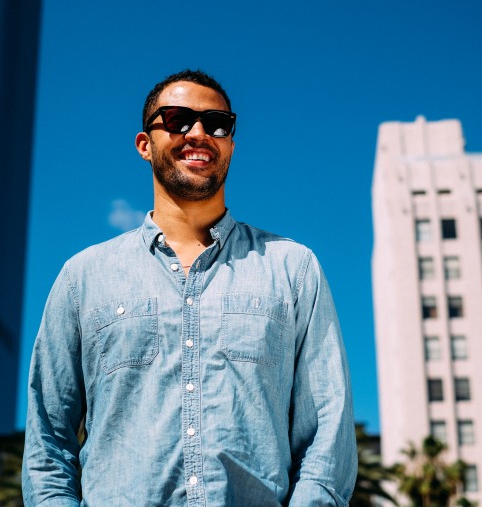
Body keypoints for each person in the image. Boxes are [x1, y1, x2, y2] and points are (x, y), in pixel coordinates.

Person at [22, 69, 357, 506]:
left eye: (217, 124)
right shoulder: (83, 277)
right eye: (178, 119)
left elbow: (327, 430)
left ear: (231, 144)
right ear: (145, 144)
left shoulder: (293, 268)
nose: (198, 133)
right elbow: (48, 439)